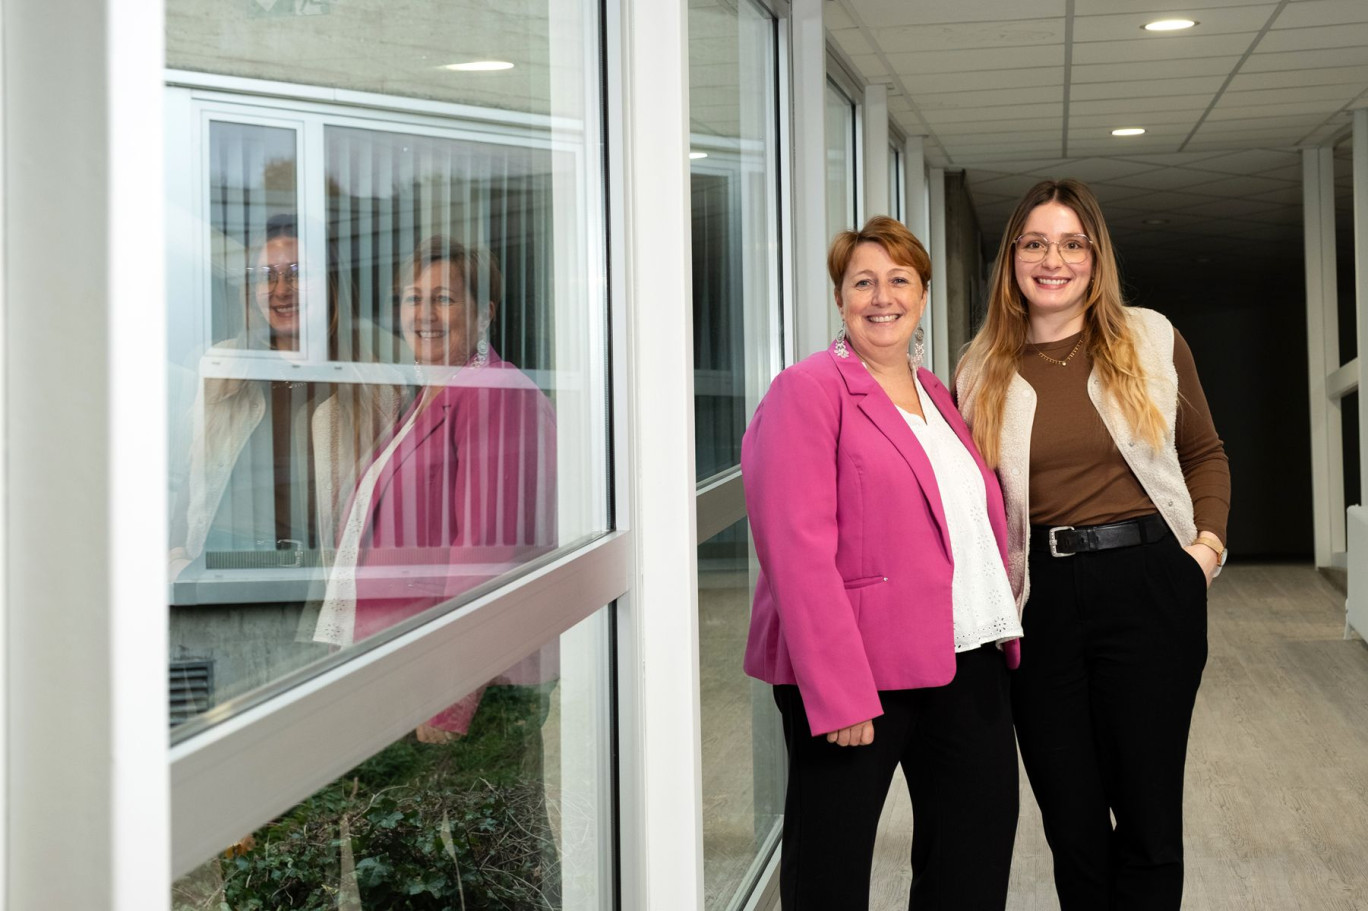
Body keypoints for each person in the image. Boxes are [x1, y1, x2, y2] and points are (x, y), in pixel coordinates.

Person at [955, 178, 1230, 910]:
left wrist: (1201, 556)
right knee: (1071, 824)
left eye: (1072, 243)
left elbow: (1205, 454)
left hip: (1149, 585)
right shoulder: (979, 371)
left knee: (1146, 820)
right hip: (1040, 606)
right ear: (1013, 256)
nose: (1055, 259)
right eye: (1037, 243)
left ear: (1095, 256)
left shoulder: (1150, 337)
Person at [743, 216, 1023, 910]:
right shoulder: (807, 390)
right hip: (860, 674)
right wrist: (838, 691)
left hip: (966, 657)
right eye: (862, 281)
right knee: (830, 876)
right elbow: (796, 550)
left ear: (923, 295)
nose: (881, 296)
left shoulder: (938, 394)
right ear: (840, 299)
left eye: (899, 280)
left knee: (973, 859)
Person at [313, 235, 557, 740]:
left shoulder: (495, 392)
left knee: (491, 820)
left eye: (443, 298)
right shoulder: (425, 394)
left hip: (459, 684)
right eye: (412, 298)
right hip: (402, 666)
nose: (424, 314)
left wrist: (452, 697)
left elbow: (487, 554)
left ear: (483, 312)